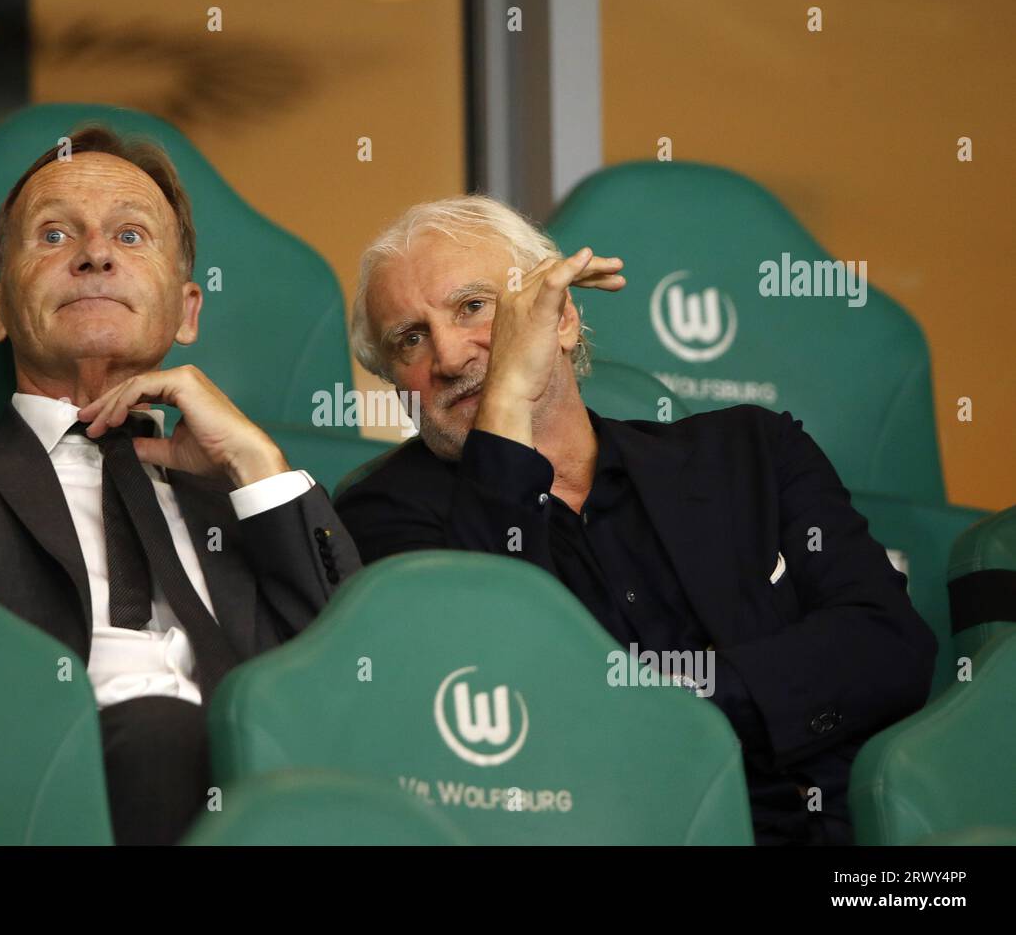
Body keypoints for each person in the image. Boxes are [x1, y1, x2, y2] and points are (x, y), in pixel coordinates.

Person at [0, 125, 360, 844]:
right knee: (165, 734)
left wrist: (258, 464)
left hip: (273, 809)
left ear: (188, 311)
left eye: (132, 237)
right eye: (53, 236)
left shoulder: (245, 500)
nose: (95, 254)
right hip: (19, 804)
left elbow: (357, 680)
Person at [335, 194, 935, 845]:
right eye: (411, 339)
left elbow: (889, 647)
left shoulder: (752, 452)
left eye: (474, 307)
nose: (449, 357)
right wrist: (506, 396)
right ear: (395, 380)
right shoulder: (380, 514)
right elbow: (501, 692)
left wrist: (663, 693)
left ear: (560, 317)